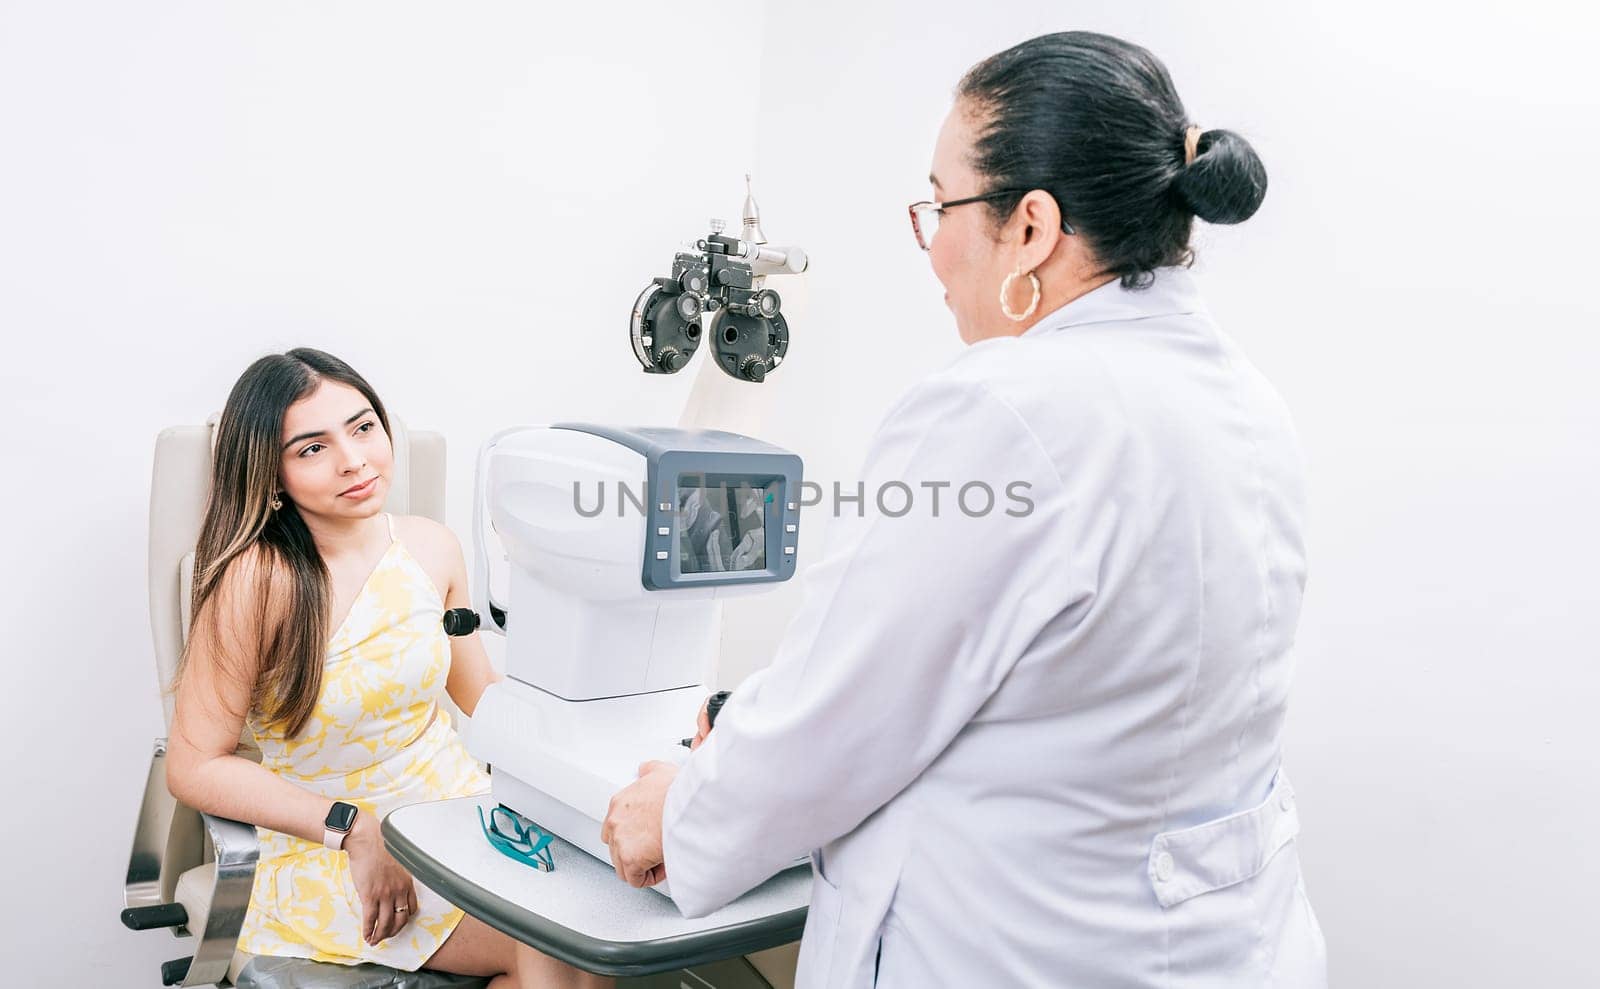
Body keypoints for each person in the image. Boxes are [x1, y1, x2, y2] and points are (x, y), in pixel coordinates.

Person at [602, 31, 1327, 987]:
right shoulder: (1245, 399)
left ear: (1031, 226)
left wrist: (679, 810)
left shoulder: (1010, 408)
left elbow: (832, 721)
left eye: (940, 205)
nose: (933, 243)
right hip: (1226, 944)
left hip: (1017, 948)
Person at [165, 348, 607, 989]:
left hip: (458, 815)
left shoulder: (432, 546)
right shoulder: (254, 583)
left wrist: (596, 753)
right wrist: (353, 829)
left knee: (588, 938)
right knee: (552, 954)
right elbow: (195, 765)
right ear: (270, 474)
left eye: (363, 426)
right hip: (328, 841)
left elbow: (482, 699)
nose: (354, 459)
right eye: (312, 448)